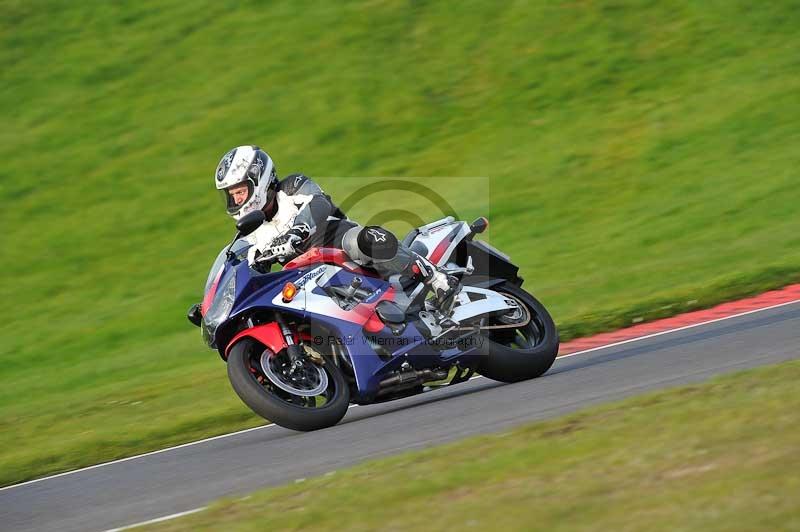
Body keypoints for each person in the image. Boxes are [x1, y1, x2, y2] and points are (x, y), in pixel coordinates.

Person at [213, 145, 456, 309]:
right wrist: (216, 302)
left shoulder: (292, 186)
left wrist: (298, 230)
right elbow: (247, 268)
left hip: (341, 247)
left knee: (359, 240)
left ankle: (435, 277)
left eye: (240, 192)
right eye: (232, 195)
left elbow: (319, 204)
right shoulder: (252, 233)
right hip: (313, 277)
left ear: (259, 179)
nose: (236, 201)